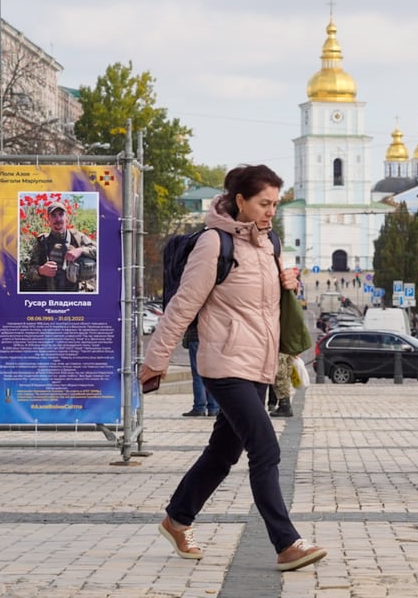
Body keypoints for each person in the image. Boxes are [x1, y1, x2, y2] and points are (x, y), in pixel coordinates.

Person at [138, 164, 326, 572]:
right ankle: (286, 542)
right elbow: (182, 306)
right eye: (263, 203)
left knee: (223, 453)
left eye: (275, 204)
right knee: (266, 448)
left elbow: (266, 307)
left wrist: (289, 285)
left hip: (258, 364)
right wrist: (155, 360)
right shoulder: (213, 244)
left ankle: (177, 518)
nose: (270, 212)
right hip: (223, 364)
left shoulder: (270, 244)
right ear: (240, 201)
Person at [26, 201, 97, 291]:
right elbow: (29, 272)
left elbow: (100, 252)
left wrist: (81, 250)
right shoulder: (42, 241)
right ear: (48, 218)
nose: (58, 219)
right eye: (53, 215)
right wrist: (41, 270)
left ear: (66, 216)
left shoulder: (77, 237)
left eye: (61, 214)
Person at [181, 330, 218, 418]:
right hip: (214, 339)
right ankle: (213, 408)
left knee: (198, 375)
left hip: (196, 338)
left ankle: (199, 407)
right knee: (213, 374)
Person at [270, 352, 294, 417]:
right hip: (287, 348)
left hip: (282, 349)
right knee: (286, 374)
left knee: (280, 375)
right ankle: (285, 405)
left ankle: (284, 405)